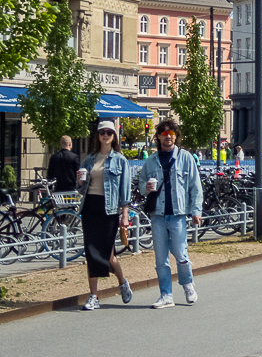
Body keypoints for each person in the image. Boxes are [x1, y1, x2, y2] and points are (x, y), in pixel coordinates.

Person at [139, 119, 203, 308]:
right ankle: (166, 294)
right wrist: (146, 187)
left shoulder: (186, 158)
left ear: (176, 136)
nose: (168, 137)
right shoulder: (151, 161)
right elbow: (141, 184)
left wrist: (196, 211)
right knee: (161, 259)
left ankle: (188, 284)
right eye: (164, 134)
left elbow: (195, 187)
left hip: (178, 214)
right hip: (157, 215)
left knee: (181, 254)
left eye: (172, 134)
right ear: (158, 137)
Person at [77, 121, 132, 311]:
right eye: (102, 132)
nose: (105, 135)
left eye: (109, 132)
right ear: (98, 135)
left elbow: (125, 192)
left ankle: (123, 282)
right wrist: (79, 181)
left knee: (108, 255)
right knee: (91, 252)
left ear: (114, 136)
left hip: (109, 210)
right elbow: (81, 187)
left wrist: (125, 215)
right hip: (90, 207)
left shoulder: (120, 160)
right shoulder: (89, 159)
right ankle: (94, 296)